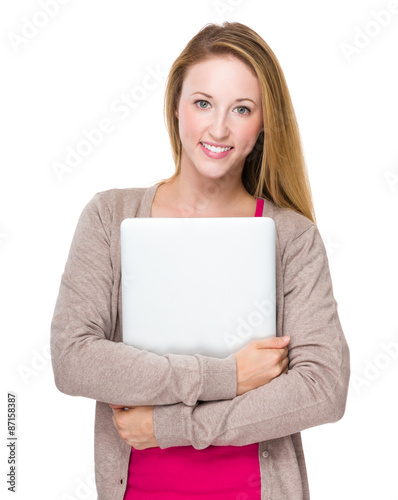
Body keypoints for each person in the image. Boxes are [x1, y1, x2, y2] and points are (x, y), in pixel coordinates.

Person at [50, 21, 350, 500]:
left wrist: (174, 425)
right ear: (175, 106)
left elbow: (323, 389)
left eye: (242, 109)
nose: (218, 128)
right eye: (203, 102)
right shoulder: (110, 217)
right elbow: (74, 359)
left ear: (264, 122)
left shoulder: (293, 237)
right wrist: (228, 375)